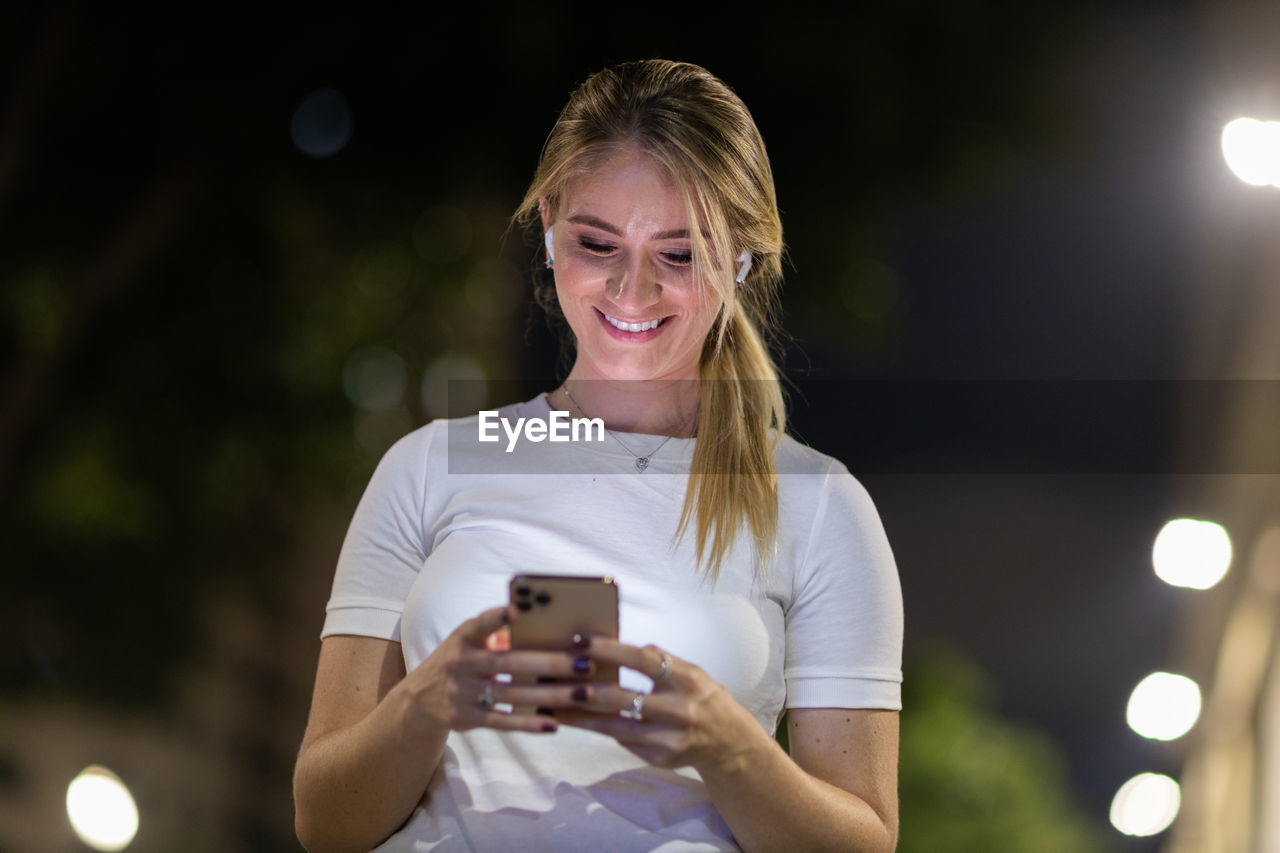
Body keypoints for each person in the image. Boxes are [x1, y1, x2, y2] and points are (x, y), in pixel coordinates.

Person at [293, 59, 903, 853]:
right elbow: (325, 822)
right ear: (548, 225)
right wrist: (430, 699)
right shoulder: (429, 466)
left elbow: (865, 838)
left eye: (681, 255)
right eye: (597, 242)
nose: (633, 290)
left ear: (743, 260)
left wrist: (732, 749)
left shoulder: (818, 503)